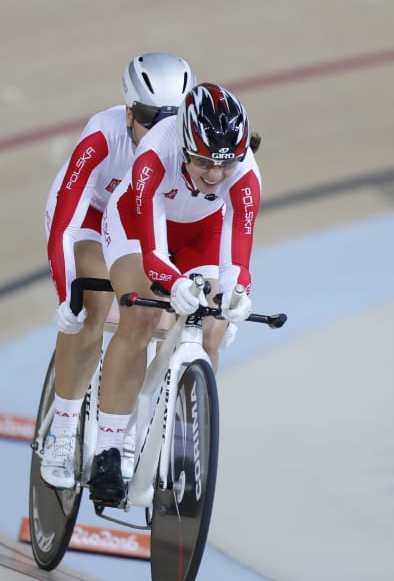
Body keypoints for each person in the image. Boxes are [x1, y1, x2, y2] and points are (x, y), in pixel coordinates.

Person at [87, 82, 263, 505]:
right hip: (137, 221)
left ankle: (182, 440)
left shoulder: (245, 175)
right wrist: (173, 283)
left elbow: (239, 247)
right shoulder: (154, 154)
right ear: (185, 143)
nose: (215, 174)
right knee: (143, 317)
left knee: (210, 331)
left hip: (201, 230)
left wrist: (236, 292)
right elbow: (152, 252)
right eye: (204, 161)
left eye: (226, 164)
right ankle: (108, 449)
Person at [40, 53, 196, 490]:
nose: (163, 128)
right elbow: (66, 224)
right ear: (129, 112)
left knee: (151, 316)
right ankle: (63, 429)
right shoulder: (102, 136)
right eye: (150, 117)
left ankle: (124, 433)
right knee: (93, 305)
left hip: (137, 223)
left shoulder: (186, 147)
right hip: (89, 218)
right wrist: (65, 290)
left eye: (175, 117)